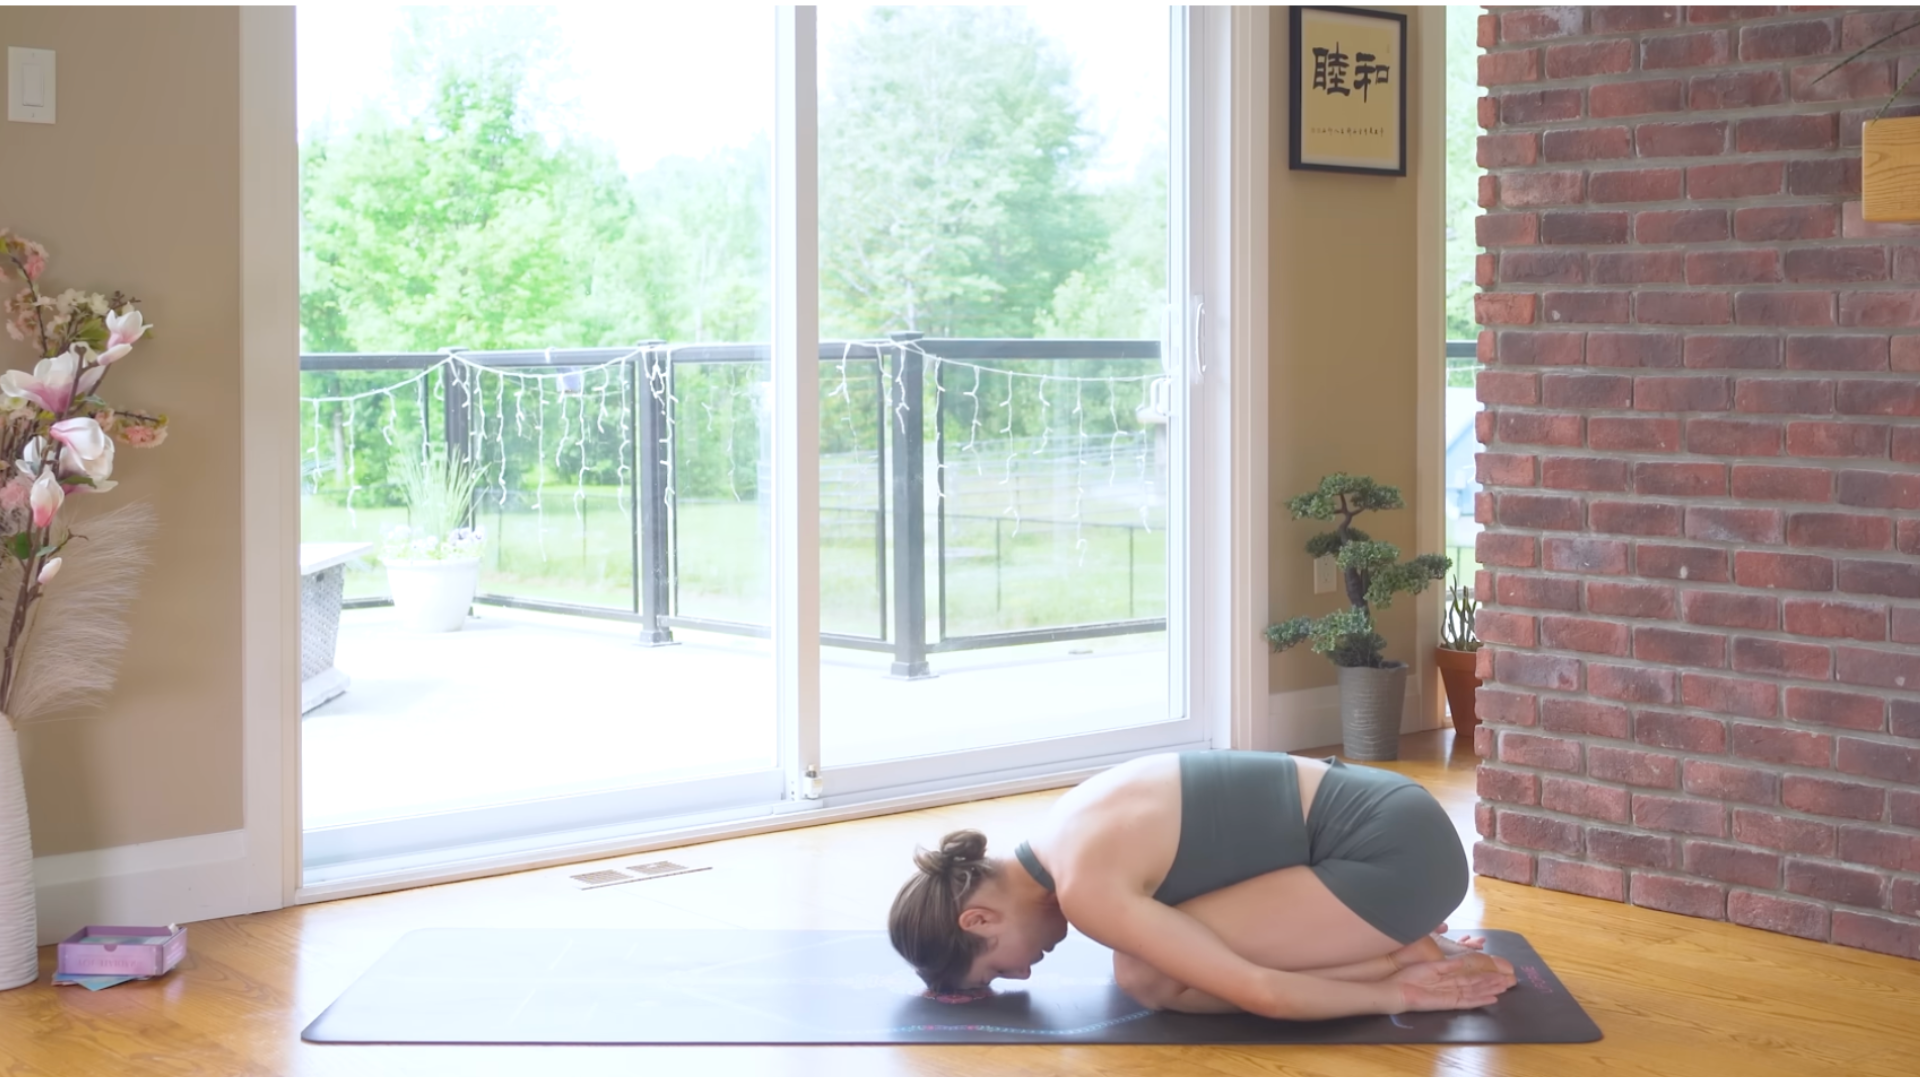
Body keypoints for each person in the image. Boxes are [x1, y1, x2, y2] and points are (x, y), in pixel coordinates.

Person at [888, 750, 1517, 1019]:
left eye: (997, 970)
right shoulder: (1064, 824)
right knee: (1149, 961)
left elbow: (1262, 993)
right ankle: (1369, 936)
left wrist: (1397, 996)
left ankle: (1397, 954)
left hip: (1398, 860)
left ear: (980, 920)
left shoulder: (1085, 887)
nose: (1024, 976)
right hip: (1394, 810)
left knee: (1148, 979)